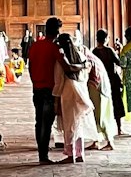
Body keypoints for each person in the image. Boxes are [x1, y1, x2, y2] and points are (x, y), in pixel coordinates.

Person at [53, 32, 98, 163]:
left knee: (69, 124)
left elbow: (59, 80)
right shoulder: (80, 56)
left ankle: (70, 154)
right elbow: (86, 72)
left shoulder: (61, 60)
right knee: (78, 124)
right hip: (81, 91)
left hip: (68, 93)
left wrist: (56, 99)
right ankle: (79, 153)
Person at [27, 16, 64, 164]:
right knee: (47, 123)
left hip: (37, 88)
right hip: (50, 90)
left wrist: (35, 81)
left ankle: (41, 151)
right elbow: (65, 66)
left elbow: (29, 67)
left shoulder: (35, 46)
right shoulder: (54, 48)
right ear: (57, 31)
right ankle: (43, 156)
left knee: (39, 121)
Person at [93, 30, 125, 133]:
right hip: (112, 80)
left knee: (101, 105)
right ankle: (119, 128)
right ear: (106, 39)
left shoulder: (94, 52)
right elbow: (120, 63)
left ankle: (101, 129)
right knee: (116, 103)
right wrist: (119, 51)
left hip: (99, 81)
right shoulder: (109, 51)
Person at [87, 50, 117, 150]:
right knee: (96, 116)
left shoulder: (89, 60)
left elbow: (94, 78)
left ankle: (110, 141)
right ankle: (96, 140)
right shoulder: (93, 58)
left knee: (100, 116)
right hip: (101, 89)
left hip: (98, 90)